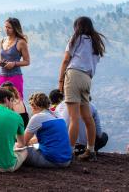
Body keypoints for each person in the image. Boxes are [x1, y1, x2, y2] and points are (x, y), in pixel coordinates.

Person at [58, 16, 106, 161]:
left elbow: (66, 59)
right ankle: (90, 151)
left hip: (74, 75)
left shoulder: (76, 38)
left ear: (77, 27)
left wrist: (60, 80)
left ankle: (69, 153)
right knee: (87, 117)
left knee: (74, 117)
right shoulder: (95, 42)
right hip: (87, 78)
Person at [24, 93, 72, 168]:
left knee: (18, 150)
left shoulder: (37, 117)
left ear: (34, 106)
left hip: (50, 160)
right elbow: (49, 137)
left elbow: (23, 141)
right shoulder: (57, 115)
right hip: (66, 160)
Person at [0, 17, 30, 99]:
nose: (6, 30)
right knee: (0, 100)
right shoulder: (2, 41)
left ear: (15, 28)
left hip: (15, 76)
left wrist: (14, 63)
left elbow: (27, 61)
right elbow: (2, 59)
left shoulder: (21, 42)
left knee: (16, 100)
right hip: (2, 76)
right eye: (5, 27)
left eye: (9, 28)